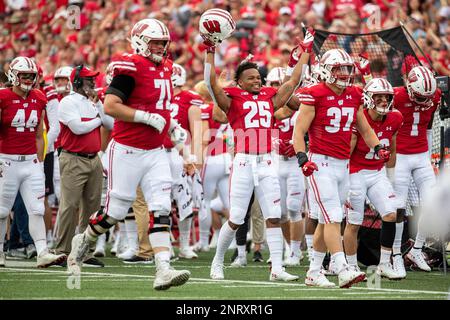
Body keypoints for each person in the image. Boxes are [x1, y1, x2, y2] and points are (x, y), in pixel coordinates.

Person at [67, 18, 190, 291]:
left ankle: (163, 270)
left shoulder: (167, 67)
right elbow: (111, 105)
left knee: (160, 208)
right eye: (154, 41)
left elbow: (161, 106)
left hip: (156, 151)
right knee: (114, 212)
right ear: (139, 41)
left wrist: (172, 125)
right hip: (126, 150)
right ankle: (84, 240)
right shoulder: (129, 65)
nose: (160, 46)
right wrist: (146, 117)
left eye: (163, 42)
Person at [203, 23, 314, 281]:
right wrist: (210, 51)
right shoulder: (233, 99)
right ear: (239, 82)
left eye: (258, 77)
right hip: (243, 162)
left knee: (274, 216)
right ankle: (217, 262)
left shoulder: (267, 95)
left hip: (267, 162)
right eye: (251, 78)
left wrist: (306, 51)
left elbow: (293, 82)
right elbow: (211, 84)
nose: (257, 80)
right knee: (237, 218)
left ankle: (276, 268)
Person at [293, 48, 390, 288]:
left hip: (342, 165)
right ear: (327, 70)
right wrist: (302, 158)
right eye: (340, 69)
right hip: (320, 163)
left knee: (328, 220)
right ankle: (342, 267)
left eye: (348, 69)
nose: (345, 74)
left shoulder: (355, 94)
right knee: (334, 216)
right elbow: (299, 131)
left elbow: (365, 128)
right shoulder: (314, 93)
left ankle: (314, 271)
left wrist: (377, 147)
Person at [0, 56, 66, 268]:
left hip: (30, 162)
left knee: (36, 207)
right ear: (14, 76)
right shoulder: (3, 96)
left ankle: (42, 251)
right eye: (24, 75)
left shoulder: (39, 97)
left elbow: (39, 134)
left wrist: (39, 159)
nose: (28, 79)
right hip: (6, 160)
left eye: (31, 75)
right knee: (2, 210)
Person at [343, 78, 404, 280]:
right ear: (369, 99)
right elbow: (349, 150)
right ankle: (351, 267)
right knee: (354, 222)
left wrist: (391, 176)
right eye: (378, 97)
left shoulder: (395, 118)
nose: (383, 101)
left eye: (386, 98)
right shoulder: (359, 118)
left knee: (390, 214)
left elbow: (392, 147)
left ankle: (384, 264)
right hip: (355, 173)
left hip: (377, 172)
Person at [55, 65, 112, 267]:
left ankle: (83, 251)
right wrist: (98, 119)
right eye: (88, 79)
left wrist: (99, 108)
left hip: (93, 158)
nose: (93, 83)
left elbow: (110, 124)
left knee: (92, 207)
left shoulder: (92, 102)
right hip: (73, 158)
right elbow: (78, 128)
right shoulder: (68, 102)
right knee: (69, 205)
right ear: (78, 81)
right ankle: (62, 250)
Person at [392, 64, 441, 277]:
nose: (425, 101)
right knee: (398, 209)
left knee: (434, 204)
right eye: (420, 96)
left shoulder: (435, 95)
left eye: (427, 97)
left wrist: (429, 152)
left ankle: (417, 249)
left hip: (421, 155)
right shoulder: (395, 96)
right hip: (400, 156)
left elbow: (429, 124)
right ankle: (394, 255)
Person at [163, 63, 204, 259]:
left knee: (185, 200)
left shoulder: (189, 99)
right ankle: (165, 244)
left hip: (178, 154)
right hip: (157, 152)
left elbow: (197, 132)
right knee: (161, 202)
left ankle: (184, 245)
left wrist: (193, 158)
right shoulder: (158, 97)